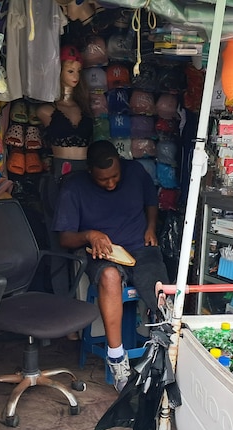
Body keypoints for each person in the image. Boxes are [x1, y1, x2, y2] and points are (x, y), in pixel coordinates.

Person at [52, 140, 169, 392]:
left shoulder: (135, 172)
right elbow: (64, 239)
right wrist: (89, 235)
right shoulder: (74, 187)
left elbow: (151, 202)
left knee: (158, 288)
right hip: (104, 254)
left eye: (115, 176)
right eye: (103, 180)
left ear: (120, 162)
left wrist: (150, 227)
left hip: (140, 249)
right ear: (90, 171)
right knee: (109, 276)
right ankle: (117, 360)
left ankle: (162, 353)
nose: (111, 183)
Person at [37, 45, 94, 297]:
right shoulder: (46, 110)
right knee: (58, 240)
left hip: (86, 176)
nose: (75, 75)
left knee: (85, 240)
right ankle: (63, 304)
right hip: (60, 176)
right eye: (70, 70)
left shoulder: (85, 108)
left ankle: (85, 306)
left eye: (78, 71)